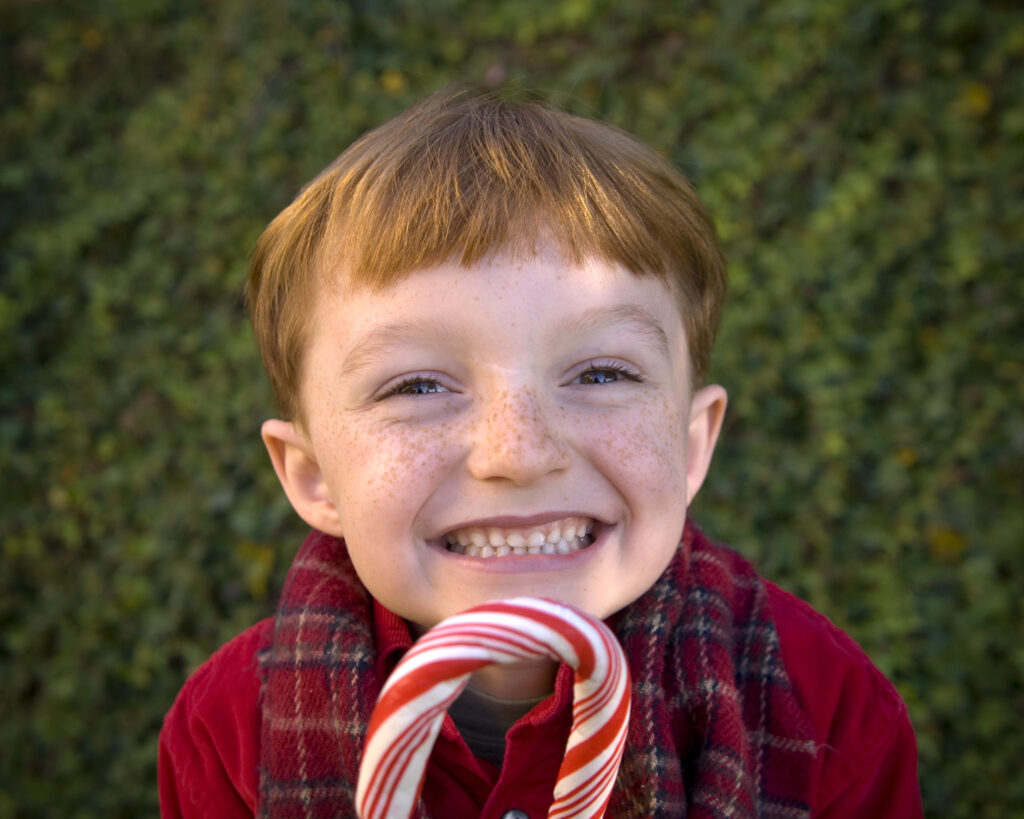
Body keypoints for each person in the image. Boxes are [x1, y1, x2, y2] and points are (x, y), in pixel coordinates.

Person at [159, 87, 922, 818]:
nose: (518, 454)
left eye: (600, 373)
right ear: (313, 474)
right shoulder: (227, 733)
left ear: (692, 445)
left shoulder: (829, 713)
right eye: (419, 385)